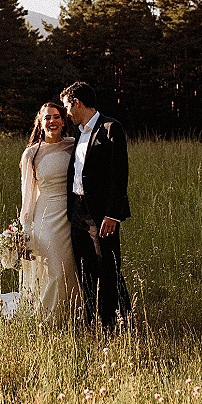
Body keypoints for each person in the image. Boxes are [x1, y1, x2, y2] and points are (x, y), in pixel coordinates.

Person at [60, 82, 132, 328]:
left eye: (67, 107)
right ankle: (93, 321)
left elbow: (119, 175)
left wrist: (112, 214)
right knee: (85, 270)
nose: (66, 113)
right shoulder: (79, 133)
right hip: (78, 213)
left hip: (102, 215)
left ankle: (117, 323)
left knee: (109, 269)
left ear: (77, 103)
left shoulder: (111, 128)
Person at [19, 101, 81, 323]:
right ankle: (49, 319)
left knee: (72, 267)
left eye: (56, 117)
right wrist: (25, 231)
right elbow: (27, 196)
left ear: (63, 121)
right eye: (47, 117)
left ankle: (74, 314)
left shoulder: (74, 145)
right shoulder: (31, 154)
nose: (52, 121)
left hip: (72, 215)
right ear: (40, 121)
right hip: (46, 217)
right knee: (55, 268)